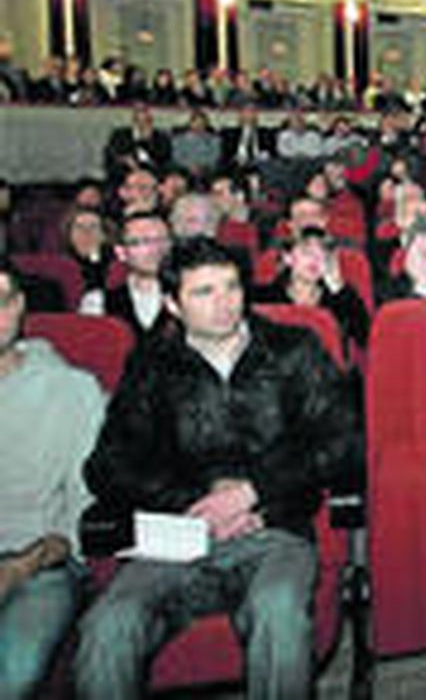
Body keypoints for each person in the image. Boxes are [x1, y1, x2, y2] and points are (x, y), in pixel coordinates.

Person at [76, 238, 359, 698]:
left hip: (274, 526)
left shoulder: (293, 350)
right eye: (203, 292)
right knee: (109, 624)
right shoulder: (153, 366)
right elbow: (108, 466)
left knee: (279, 609)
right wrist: (200, 500)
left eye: (231, 287)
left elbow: (341, 440)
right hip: (179, 531)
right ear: (173, 303)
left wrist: (251, 492)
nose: (224, 303)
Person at [0, 259, 105, 699]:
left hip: (38, 564)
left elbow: (80, 517)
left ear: (19, 305)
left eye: (0, 302)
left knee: (14, 668)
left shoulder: (71, 390)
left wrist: (20, 566)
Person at [256, 228, 370, 349]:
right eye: (307, 252)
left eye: (323, 253)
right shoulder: (264, 297)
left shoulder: (340, 298)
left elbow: (364, 339)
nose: (316, 259)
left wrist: (338, 287)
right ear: (287, 257)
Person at [99, 211, 175, 342]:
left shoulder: (189, 296)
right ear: (121, 252)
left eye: (162, 240)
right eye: (142, 242)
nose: (155, 249)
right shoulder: (99, 301)